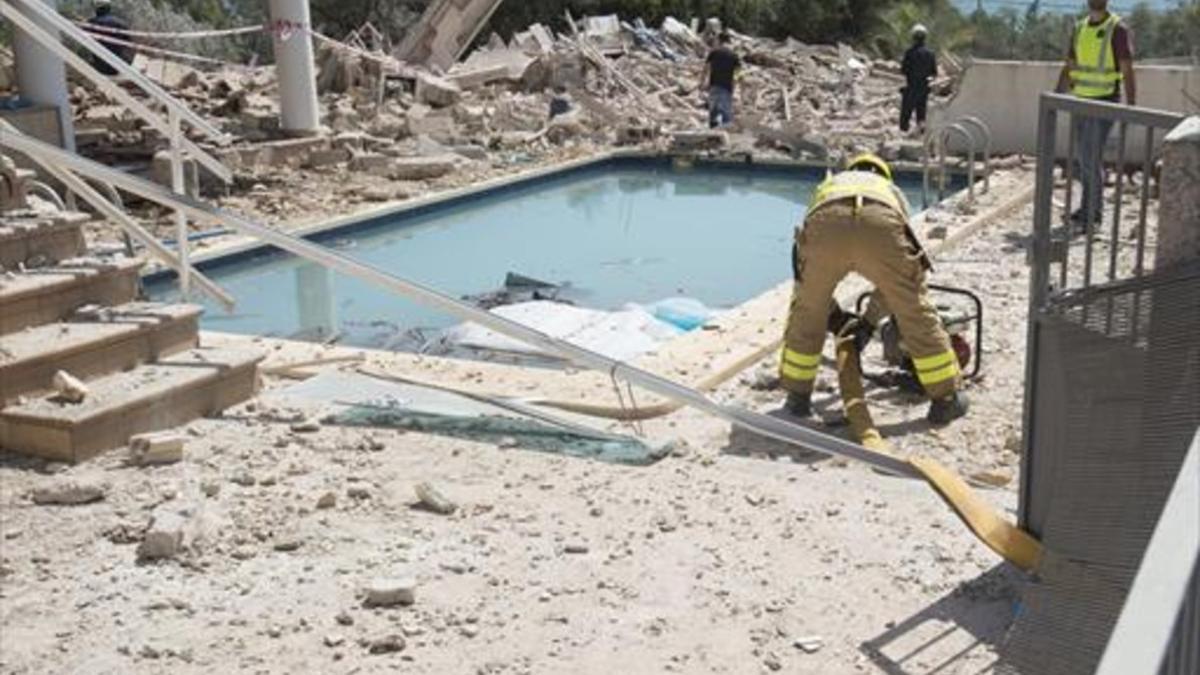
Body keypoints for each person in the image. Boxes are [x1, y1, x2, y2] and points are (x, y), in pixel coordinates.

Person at [780, 154, 969, 426]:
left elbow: (806, 283)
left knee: (808, 309)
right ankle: (946, 400)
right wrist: (869, 322)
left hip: (827, 223)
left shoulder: (830, 186)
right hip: (881, 225)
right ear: (884, 175)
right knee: (914, 309)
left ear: (852, 170)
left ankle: (797, 397)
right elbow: (895, 283)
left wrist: (834, 315)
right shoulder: (890, 191)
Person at [1055, 0, 1136, 229]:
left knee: (1090, 157)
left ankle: (1094, 214)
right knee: (1083, 157)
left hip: (1105, 101)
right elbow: (1070, 65)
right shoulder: (1080, 28)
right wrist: (1055, 96)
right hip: (1082, 100)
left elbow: (1128, 69)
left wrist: (1131, 107)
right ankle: (1086, 209)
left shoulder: (1117, 29)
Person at [900, 24, 937, 135]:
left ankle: (902, 135)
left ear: (913, 37)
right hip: (924, 88)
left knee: (906, 114)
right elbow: (934, 73)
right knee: (921, 114)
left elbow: (903, 70)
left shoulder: (909, 53)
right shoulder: (931, 54)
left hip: (911, 86)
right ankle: (920, 136)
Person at [700, 32, 740, 129]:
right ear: (729, 41)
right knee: (726, 113)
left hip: (714, 86)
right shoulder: (734, 55)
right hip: (727, 87)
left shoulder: (714, 53)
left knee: (713, 113)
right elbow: (737, 74)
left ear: (719, 41)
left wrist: (701, 82)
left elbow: (706, 68)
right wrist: (734, 85)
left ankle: (712, 135)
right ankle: (725, 137)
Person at [84, 0, 134, 76]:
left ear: (96, 9)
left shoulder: (90, 24)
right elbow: (128, 42)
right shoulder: (120, 23)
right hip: (117, 66)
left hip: (99, 66)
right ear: (109, 8)